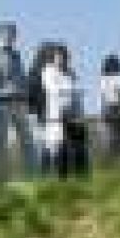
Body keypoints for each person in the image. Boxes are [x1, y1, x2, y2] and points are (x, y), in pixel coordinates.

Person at [0, 22, 33, 181]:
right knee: (1, 142)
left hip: (20, 101)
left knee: (27, 140)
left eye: (13, 34)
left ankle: (32, 176)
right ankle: (1, 179)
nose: (11, 37)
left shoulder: (17, 55)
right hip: (2, 102)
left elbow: (21, 78)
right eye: (8, 34)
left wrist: (26, 96)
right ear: (1, 35)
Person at [41, 45, 86, 178]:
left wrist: (79, 110)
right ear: (53, 58)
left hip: (74, 113)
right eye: (58, 57)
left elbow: (78, 92)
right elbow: (53, 90)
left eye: (64, 57)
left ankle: (81, 176)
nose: (61, 59)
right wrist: (68, 92)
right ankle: (62, 179)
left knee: (78, 145)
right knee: (60, 146)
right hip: (58, 113)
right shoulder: (48, 72)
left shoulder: (71, 73)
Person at [99, 54, 120, 163]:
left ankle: (112, 158)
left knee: (112, 134)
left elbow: (103, 96)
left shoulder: (103, 79)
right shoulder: (119, 78)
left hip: (108, 109)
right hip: (118, 107)